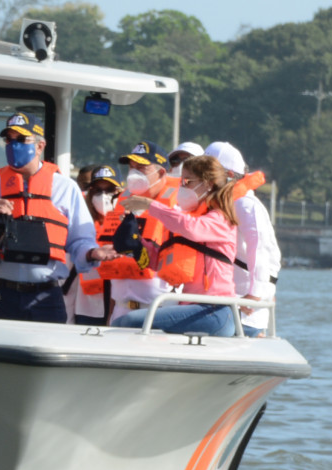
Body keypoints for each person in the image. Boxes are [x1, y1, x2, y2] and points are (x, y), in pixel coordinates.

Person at [0, 112, 97, 323]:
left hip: (46, 296)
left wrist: (92, 253)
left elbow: (80, 240)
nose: (13, 145)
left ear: (40, 146)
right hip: (0, 294)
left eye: (21, 139)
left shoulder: (66, 188)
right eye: (9, 139)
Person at [111, 155, 241, 336]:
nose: (182, 186)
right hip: (191, 308)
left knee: (129, 321)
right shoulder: (192, 220)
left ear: (209, 184)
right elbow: (159, 261)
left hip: (214, 311)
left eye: (187, 181)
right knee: (121, 322)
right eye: (181, 181)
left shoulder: (221, 219)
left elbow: (191, 228)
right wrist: (137, 243)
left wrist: (150, 205)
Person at [205, 141, 282, 336]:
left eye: (208, 172)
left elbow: (261, 251)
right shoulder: (223, 203)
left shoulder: (246, 204)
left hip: (244, 313)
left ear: (229, 175)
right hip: (224, 306)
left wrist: (254, 295)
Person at [97, 142, 176, 319]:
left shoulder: (177, 209)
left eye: (141, 168)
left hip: (159, 310)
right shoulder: (121, 203)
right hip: (120, 308)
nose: (134, 173)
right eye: (132, 167)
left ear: (161, 173)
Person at [69, 165, 125, 325]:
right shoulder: (81, 228)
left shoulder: (131, 224)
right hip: (87, 306)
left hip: (120, 306)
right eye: (97, 190)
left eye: (110, 190)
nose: (103, 196)